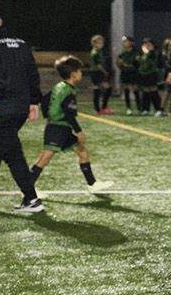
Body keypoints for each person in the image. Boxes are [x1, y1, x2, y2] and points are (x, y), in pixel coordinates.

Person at [0, 3, 45, 214]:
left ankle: (32, 199)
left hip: (3, 107)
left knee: (12, 153)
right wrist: (34, 102)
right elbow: (33, 74)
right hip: (21, 106)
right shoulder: (22, 43)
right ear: (0, 21)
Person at [29, 56, 111, 193]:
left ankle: (92, 184)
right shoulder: (69, 90)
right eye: (79, 71)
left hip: (60, 127)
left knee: (83, 153)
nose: (81, 73)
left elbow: (45, 100)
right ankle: (28, 188)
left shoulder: (59, 86)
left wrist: (48, 116)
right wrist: (79, 131)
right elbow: (69, 114)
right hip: (57, 129)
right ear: (73, 74)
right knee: (44, 158)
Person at [87, 34, 111, 114]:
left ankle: (99, 109)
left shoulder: (98, 51)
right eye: (100, 43)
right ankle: (101, 108)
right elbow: (98, 65)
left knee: (98, 89)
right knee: (106, 88)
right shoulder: (95, 53)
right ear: (94, 43)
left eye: (102, 43)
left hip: (96, 72)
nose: (102, 44)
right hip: (96, 73)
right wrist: (105, 72)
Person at [116, 36, 138, 113]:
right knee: (126, 89)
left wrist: (128, 65)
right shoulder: (122, 53)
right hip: (125, 73)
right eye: (124, 41)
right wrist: (120, 64)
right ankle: (128, 108)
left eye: (126, 41)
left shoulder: (136, 52)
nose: (125, 43)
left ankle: (139, 107)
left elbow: (136, 63)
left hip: (134, 73)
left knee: (135, 89)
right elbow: (119, 64)